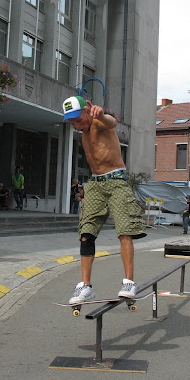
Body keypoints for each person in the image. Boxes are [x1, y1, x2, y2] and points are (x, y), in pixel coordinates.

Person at [62, 96, 146, 303]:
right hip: (96, 184)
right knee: (86, 232)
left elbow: (112, 122)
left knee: (124, 230)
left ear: (87, 111)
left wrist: (101, 114)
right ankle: (86, 286)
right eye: (72, 122)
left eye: (78, 119)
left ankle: (129, 282)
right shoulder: (83, 134)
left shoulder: (99, 122)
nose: (76, 124)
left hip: (117, 179)